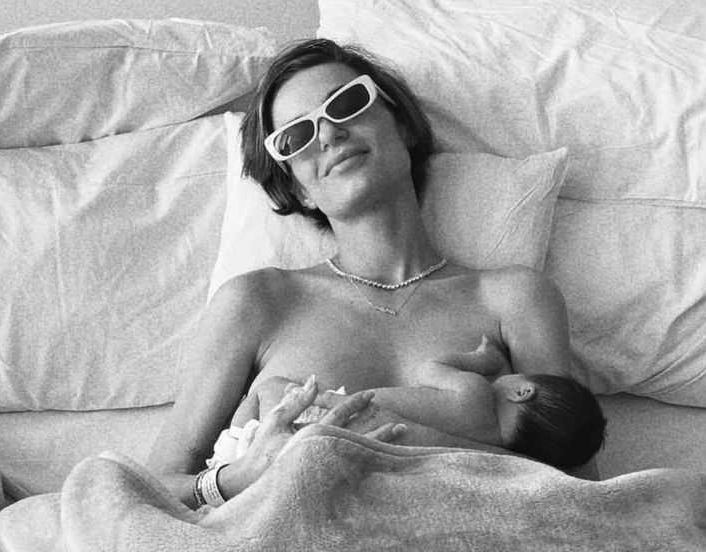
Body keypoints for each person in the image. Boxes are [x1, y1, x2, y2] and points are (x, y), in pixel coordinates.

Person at [146, 38, 588, 508]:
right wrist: (237, 478)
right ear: (299, 189)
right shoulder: (259, 301)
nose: (327, 134)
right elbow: (150, 492)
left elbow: (581, 496)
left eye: (346, 103)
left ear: (402, 126)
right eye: (296, 136)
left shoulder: (514, 298)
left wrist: (402, 439)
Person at [211, 336, 605, 471]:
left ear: (523, 392)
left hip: (331, 414)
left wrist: (483, 361)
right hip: (337, 446)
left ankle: (228, 451)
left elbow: (429, 368)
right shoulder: (492, 451)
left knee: (267, 389)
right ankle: (230, 451)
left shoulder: (476, 393)